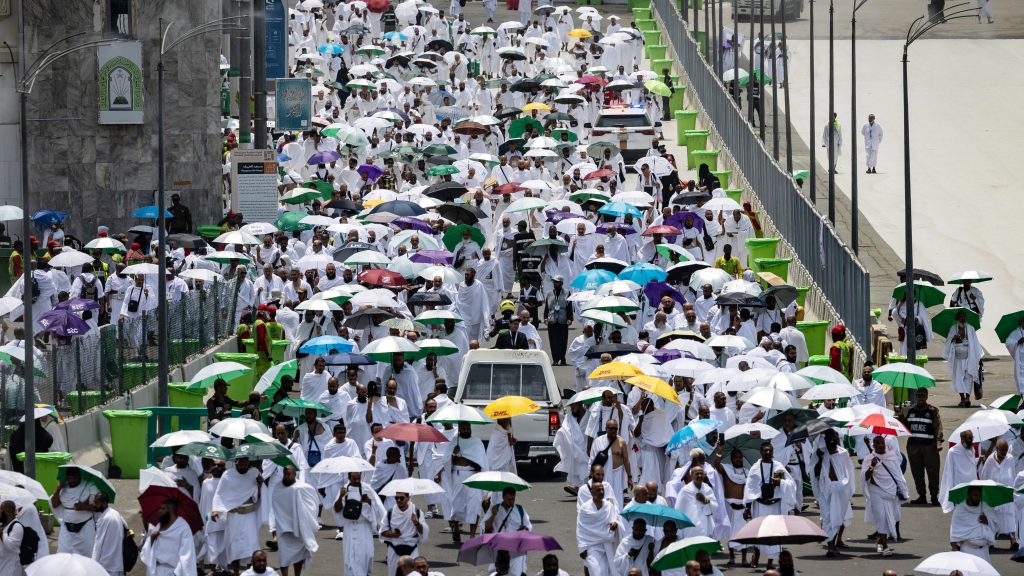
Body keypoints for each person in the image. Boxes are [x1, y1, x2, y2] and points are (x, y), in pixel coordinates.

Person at [743, 442, 798, 569]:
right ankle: (756, 555)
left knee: (774, 534)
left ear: (773, 452)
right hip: (760, 505)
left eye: (770, 450)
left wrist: (781, 483)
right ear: (761, 452)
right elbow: (750, 488)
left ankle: (770, 561)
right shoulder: (755, 468)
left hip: (775, 505)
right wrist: (747, 507)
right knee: (759, 533)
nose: (767, 453)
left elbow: (791, 484)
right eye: (765, 450)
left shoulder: (778, 467)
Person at [212, 456, 262, 574]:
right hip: (234, 516)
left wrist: (260, 484)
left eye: (245, 465)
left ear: (248, 463)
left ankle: (252, 572)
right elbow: (220, 494)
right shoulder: (228, 475)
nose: (242, 467)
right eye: (240, 465)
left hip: (249, 515)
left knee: (252, 545)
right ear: (235, 463)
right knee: (235, 546)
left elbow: (258, 497)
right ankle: (236, 572)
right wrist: (216, 510)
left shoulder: (254, 473)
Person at [810, 429, 854, 556]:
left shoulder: (843, 453)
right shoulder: (820, 453)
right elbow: (815, 474)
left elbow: (848, 473)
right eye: (829, 438)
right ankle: (830, 547)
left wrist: (847, 489)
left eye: (834, 438)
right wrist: (819, 459)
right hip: (826, 490)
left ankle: (833, 544)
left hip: (841, 490)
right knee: (828, 517)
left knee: (838, 517)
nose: (832, 440)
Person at [862, 435, 907, 557]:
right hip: (876, 491)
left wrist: (903, 489)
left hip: (890, 493)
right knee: (881, 517)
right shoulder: (869, 459)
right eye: (878, 443)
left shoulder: (892, 457)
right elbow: (865, 477)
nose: (881, 445)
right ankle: (885, 546)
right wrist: (872, 466)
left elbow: (898, 475)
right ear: (874, 446)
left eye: (883, 443)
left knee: (888, 519)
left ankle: (880, 542)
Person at [897, 387, 944, 505]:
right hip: (914, 447)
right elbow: (904, 427)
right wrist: (899, 415)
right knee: (917, 472)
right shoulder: (909, 410)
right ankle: (921, 495)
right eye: (918, 396)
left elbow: (938, 427)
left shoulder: (932, 411)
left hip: (930, 447)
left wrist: (938, 442)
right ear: (916, 397)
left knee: (933, 472)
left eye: (923, 396)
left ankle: (934, 496)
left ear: (927, 397)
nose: (920, 398)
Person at [442, 422, 487, 542]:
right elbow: (445, 460)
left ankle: (472, 535)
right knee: (457, 504)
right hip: (458, 476)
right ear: (460, 429)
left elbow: (481, 464)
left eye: (468, 428)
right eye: (463, 428)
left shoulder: (477, 442)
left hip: (473, 476)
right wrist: (454, 454)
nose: (466, 430)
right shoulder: (454, 441)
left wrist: (466, 457)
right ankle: (456, 528)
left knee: (475, 504)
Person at [271, 466, 319, 576]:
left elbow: (313, 504)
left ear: (295, 474)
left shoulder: (303, 487)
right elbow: (275, 506)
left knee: (299, 555)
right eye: (285, 474)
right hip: (283, 527)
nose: (286, 476)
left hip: (299, 526)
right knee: (283, 556)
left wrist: (304, 519)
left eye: (289, 474)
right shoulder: (278, 487)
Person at [336, 472, 386, 576]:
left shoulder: (367, 489)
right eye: (354, 479)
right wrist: (340, 497)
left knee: (367, 555)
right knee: (350, 559)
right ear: (349, 477)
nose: (357, 481)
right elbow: (337, 509)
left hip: (364, 528)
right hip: (349, 527)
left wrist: (369, 502)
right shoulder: (344, 490)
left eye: (358, 478)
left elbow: (378, 508)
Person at [576, 482, 625, 576]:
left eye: (602, 489)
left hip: (608, 544)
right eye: (598, 490)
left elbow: (616, 518)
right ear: (592, 492)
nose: (601, 492)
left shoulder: (609, 506)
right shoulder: (585, 508)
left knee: (611, 572)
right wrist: (581, 548)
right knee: (597, 572)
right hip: (592, 545)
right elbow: (580, 528)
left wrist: (615, 523)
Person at [140, 498, 198, 576]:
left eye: (163, 508)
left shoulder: (183, 527)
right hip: (157, 571)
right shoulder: (160, 525)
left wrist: (176, 574)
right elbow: (148, 549)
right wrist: (152, 537)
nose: (159, 511)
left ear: (171, 510)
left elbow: (186, 555)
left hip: (174, 572)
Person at [50, 466, 99, 554]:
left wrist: (83, 507)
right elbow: (54, 504)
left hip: (85, 527)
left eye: (74, 478)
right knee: (63, 554)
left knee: (86, 555)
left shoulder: (89, 485)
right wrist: (58, 489)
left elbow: (98, 507)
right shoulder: (64, 487)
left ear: (79, 477)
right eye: (69, 478)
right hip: (66, 528)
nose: (71, 481)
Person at [980, 439, 1018, 549]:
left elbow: (1013, 475)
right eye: (1002, 450)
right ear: (997, 449)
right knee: (992, 518)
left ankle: (1013, 540)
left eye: (1006, 450)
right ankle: (990, 541)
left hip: (1006, 493)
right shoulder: (990, 460)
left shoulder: (1010, 459)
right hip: (994, 494)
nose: (1004, 452)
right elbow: (984, 476)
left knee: (1010, 517)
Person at [484, 488, 532, 575]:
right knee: (496, 573)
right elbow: (486, 528)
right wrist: (493, 515)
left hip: (516, 550)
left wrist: (524, 530)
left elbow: (528, 527)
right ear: (503, 497)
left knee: (517, 573)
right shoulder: (495, 508)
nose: (511, 502)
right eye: (509, 499)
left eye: (513, 499)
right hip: (498, 551)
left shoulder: (520, 510)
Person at [380, 491, 429, 576]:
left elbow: (423, 532)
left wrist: (416, 523)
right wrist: (392, 534)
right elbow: (382, 532)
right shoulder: (389, 513)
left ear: (408, 498)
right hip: (394, 548)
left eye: (401, 498)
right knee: (393, 574)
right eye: (396, 498)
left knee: (414, 574)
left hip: (411, 548)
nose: (398, 500)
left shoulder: (417, 512)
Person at [942, 309, 984, 406]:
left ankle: (967, 398)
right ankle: (962, 398)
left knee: (968, 377)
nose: (962, 318)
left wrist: (978, 358)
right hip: (957, 358)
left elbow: (975, 343)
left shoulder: (970, 328)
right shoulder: (953, 328)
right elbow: (949, 341)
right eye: (960, 316)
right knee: (958, 378)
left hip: (969, 357)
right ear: (957, 318)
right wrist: (953, 339)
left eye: (964, 316)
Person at [589, 419, 633, 510]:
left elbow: (626, 460)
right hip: (603, 475)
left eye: (616, 429)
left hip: (617, 474)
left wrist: (629, 477)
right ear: (606, 429)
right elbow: (592, 459)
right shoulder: (598, 441)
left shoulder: (621, 442)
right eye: (611, 428)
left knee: (617, 499)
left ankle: (616, 519)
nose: (614, 430)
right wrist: (590, 475)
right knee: (604, 497)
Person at [949, 485, 996, 561]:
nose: (978, 498)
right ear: (969, 495)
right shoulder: (960, 509)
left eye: (980, 495)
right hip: (967, 550)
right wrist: (954, 547)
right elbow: (954, 530)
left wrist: (987, 521)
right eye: (975, 495)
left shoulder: (985, 506)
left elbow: (995, 524)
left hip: (983, 551)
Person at [92, 492, 126, 575]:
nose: (94, 505)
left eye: (96, 503)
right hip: (117, 563)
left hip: (106, 565)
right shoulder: (115, 513)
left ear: (104, 503)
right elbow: (126, 527)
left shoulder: (105, 519)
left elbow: (98, 544)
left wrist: (93, 564)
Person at [544, 275, 573, 365]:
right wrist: (545, 318)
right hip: (552, 320)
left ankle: (562, 358)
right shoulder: (549, 293)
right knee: (553, 341)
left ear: (561, 283)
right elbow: (546, 307)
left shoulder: (567, 293)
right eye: (554, 282)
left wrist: (570, 318)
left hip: (563, 319)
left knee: (563, 340)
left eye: (557, 282)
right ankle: (555, 359)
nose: (555, 283)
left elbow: (569, 307)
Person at [0, 500, 26, 576]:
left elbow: (12, 546)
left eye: (1, 509)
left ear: (7, 511)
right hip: (3, 563)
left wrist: (1, 534)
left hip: (11, 565)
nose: (0, 512)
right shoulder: (4, 524)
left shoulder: (17, 526)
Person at [1003, 315, 1024, 394]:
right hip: (1021, 361)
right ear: (1020, 323)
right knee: (1021, 380)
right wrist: (1018, 341)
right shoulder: (1016, 332)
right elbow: (1008, 343)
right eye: (1023, 321)